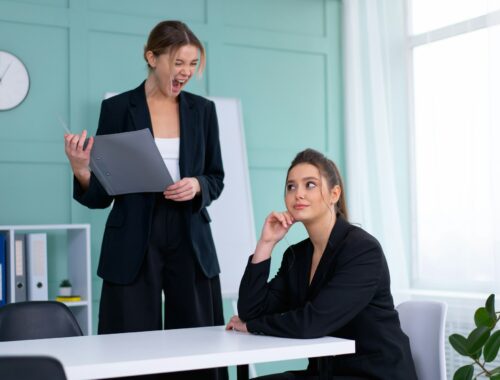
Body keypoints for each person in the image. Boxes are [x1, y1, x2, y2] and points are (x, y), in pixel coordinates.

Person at [64, 20, 227, 380]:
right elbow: (102, 193)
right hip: (134, 235)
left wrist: (197, 186)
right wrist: (81, 169)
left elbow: (216, 177)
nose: (186, 72)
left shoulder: (203, 110)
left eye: (193, 63)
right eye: (178, 62)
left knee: (198, 341)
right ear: (151, 57)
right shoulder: (119, 108)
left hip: (189, 234)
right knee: (129, 342)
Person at [226, 149, 417, 380]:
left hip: (374, 374)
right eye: (291, 187)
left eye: (310, 185)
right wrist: (266, 244)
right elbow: (251, 310)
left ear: (334, 194)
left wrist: (254, 326)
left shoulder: (362, 250)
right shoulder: (296, 256)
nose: (298, 194)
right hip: (327, 373)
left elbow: (312, 323)